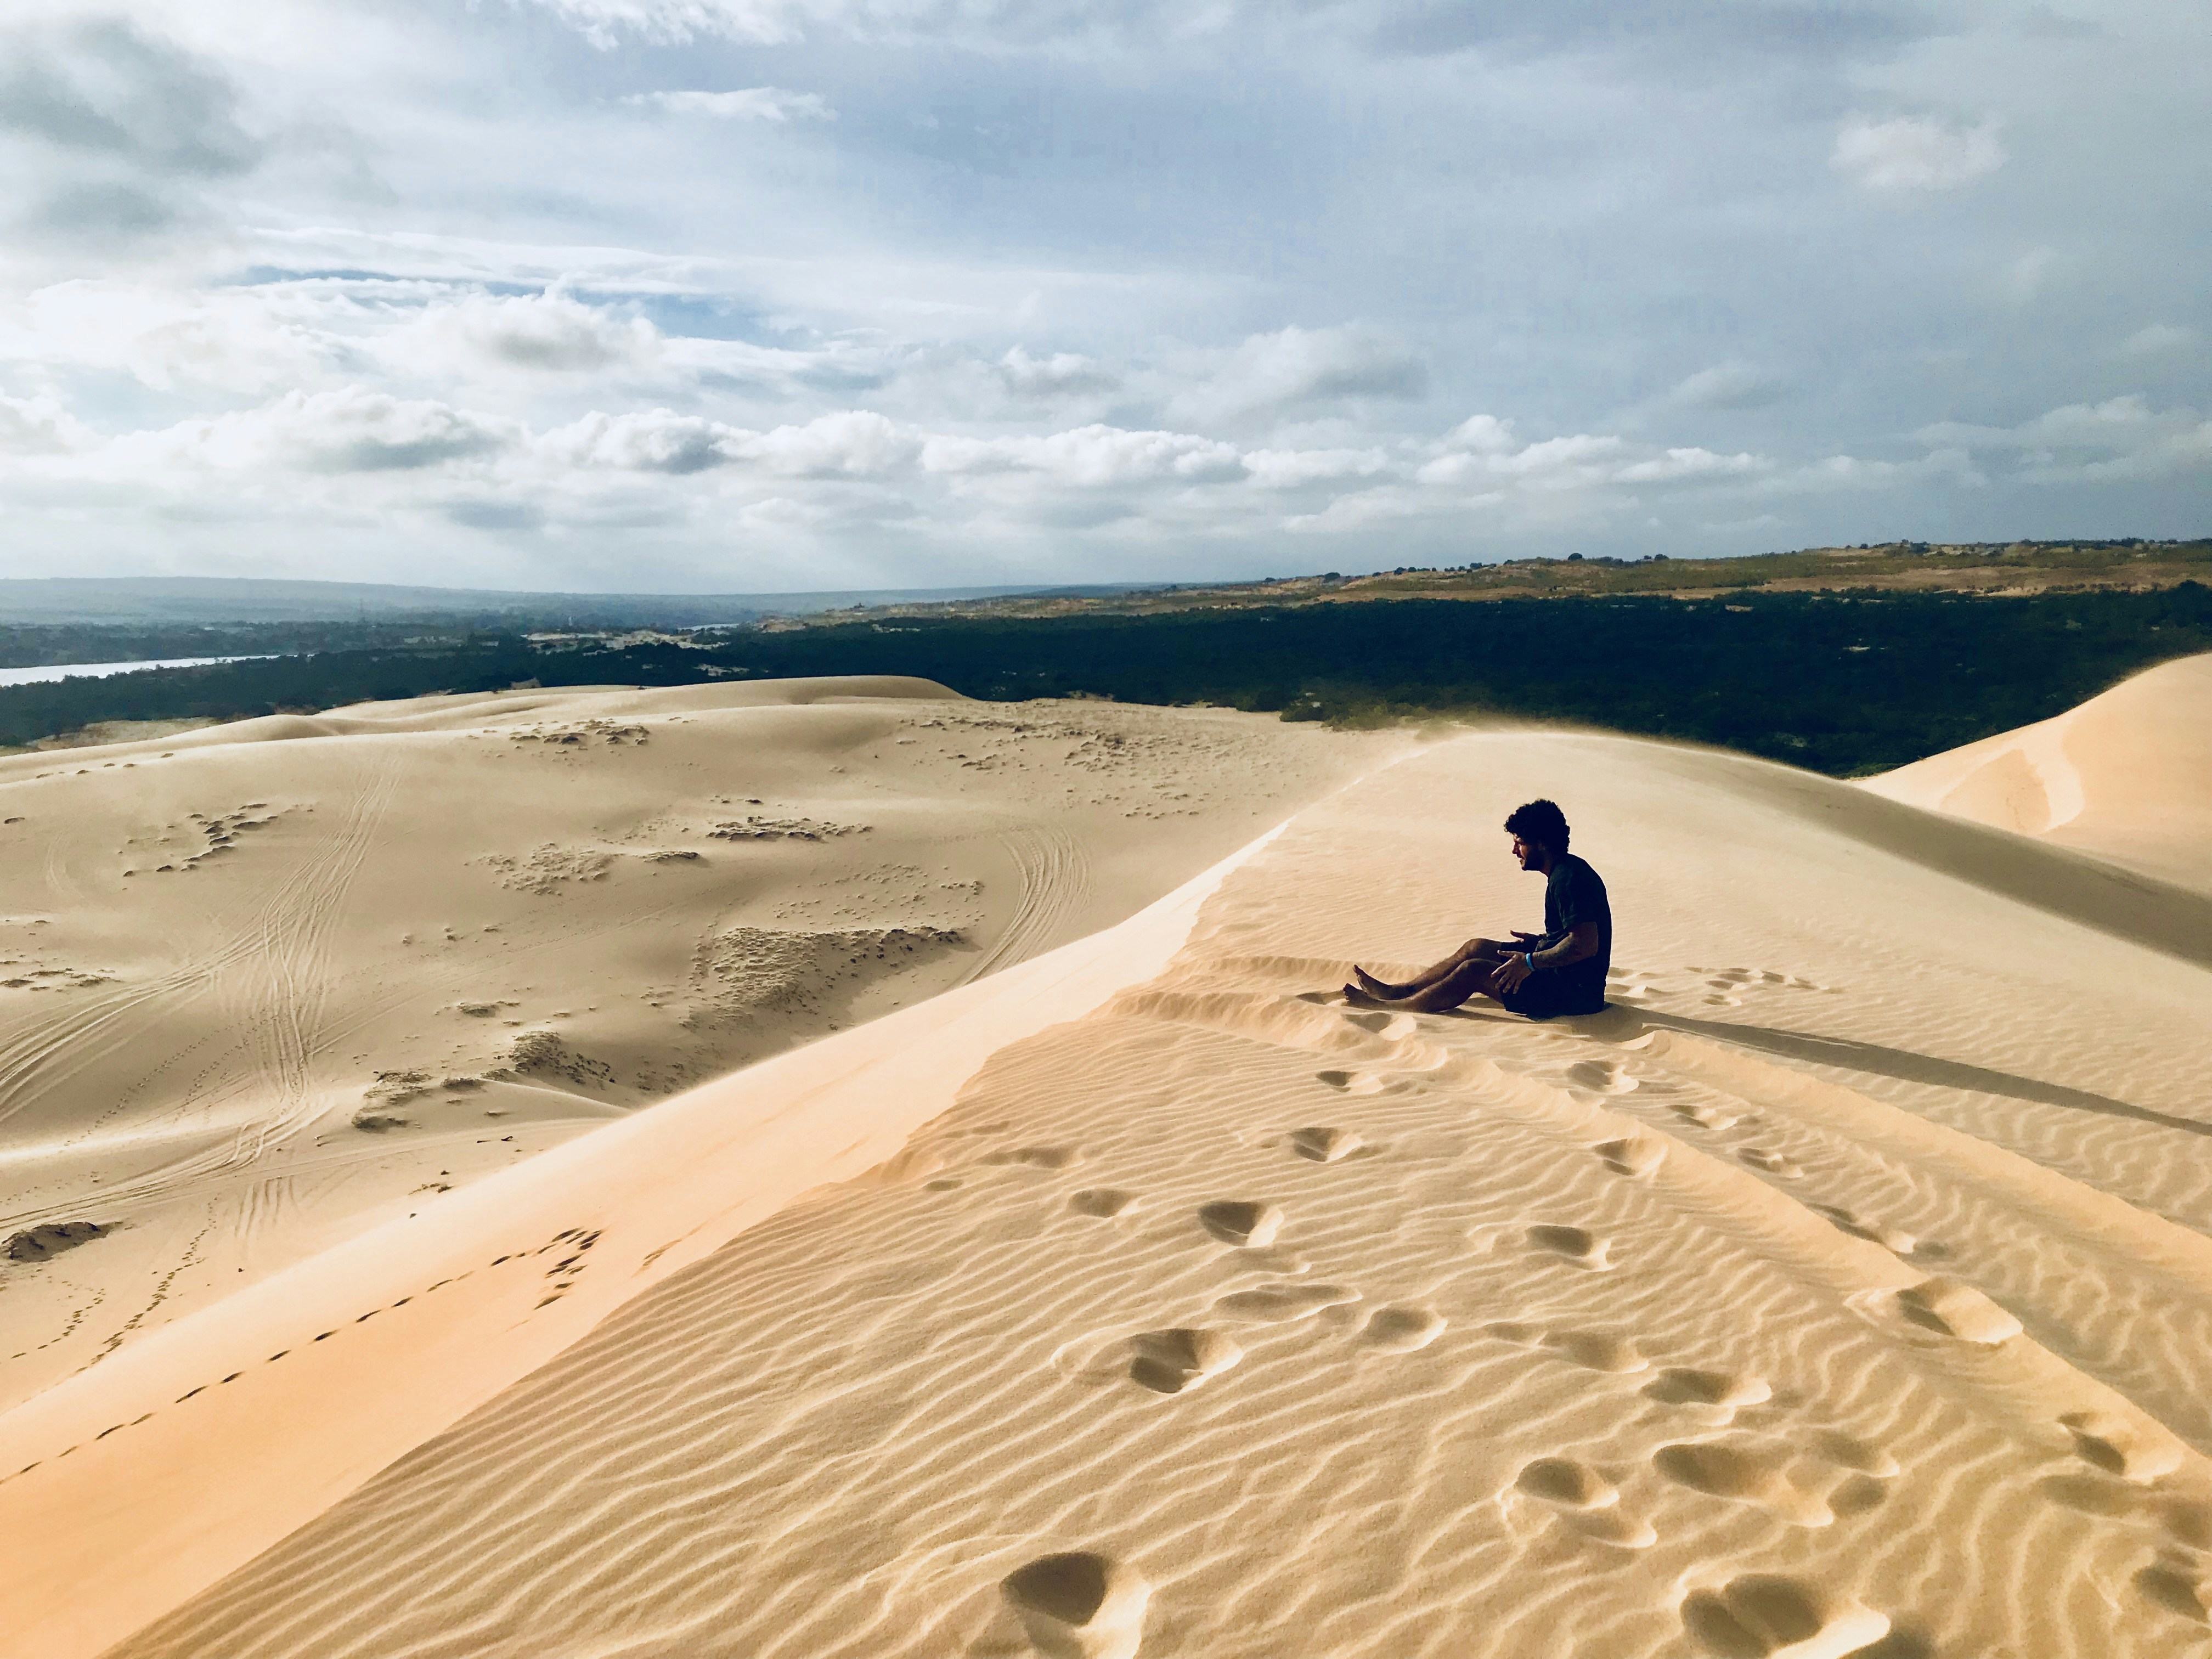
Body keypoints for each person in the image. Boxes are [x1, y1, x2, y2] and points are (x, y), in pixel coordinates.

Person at [1346, 798, 1611, 1018]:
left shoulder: (1568, 879)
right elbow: (1575, 934)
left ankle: (1395, 1008)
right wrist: (1544, 942)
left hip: (1574, 996)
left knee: (1473, 971)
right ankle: (1400, 991)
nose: (1514, 850)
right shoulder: (1566, 871)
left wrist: (1531, 961)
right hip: (1563, 977)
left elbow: (1586, 945)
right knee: (1477, 948)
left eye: (1520, 842)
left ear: (1541, 843)